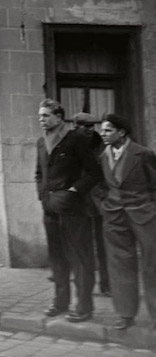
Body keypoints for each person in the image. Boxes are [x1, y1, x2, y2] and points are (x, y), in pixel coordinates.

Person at [35, 99, 102, 323]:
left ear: (59, 116)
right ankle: (60, 302)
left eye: (45, 115)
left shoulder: (76, 139)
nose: (41, 120)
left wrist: (73, 191)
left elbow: (94, 172)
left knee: (80, 257)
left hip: (74, 208)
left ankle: (84, 306)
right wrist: (43, 197)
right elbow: (38, 174)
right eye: (40, 116)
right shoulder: (40, 142)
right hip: (50, 209)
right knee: (57, 258)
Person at [98, 114, 156, 330]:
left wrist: (151, 208)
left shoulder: (143, 154)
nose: (102, 134)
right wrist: (104, 206)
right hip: (114, 216)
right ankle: (125, 313)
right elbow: (101, 186)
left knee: (152, 263)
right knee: (120, 264)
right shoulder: (103, 156)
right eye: (102, 130)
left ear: (121, 132)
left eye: (107, 130)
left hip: (144, 215)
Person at [73, 112, 110, 296]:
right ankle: (85, 285)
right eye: (85, 126)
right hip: (78, 204)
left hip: (99, 202)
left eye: (91, 126)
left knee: (104, 245)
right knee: (82, 246)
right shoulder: (70, 144)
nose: (89, 130)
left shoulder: (100, 145)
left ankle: (107, 284)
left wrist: (104, 194)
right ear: (76, 126)